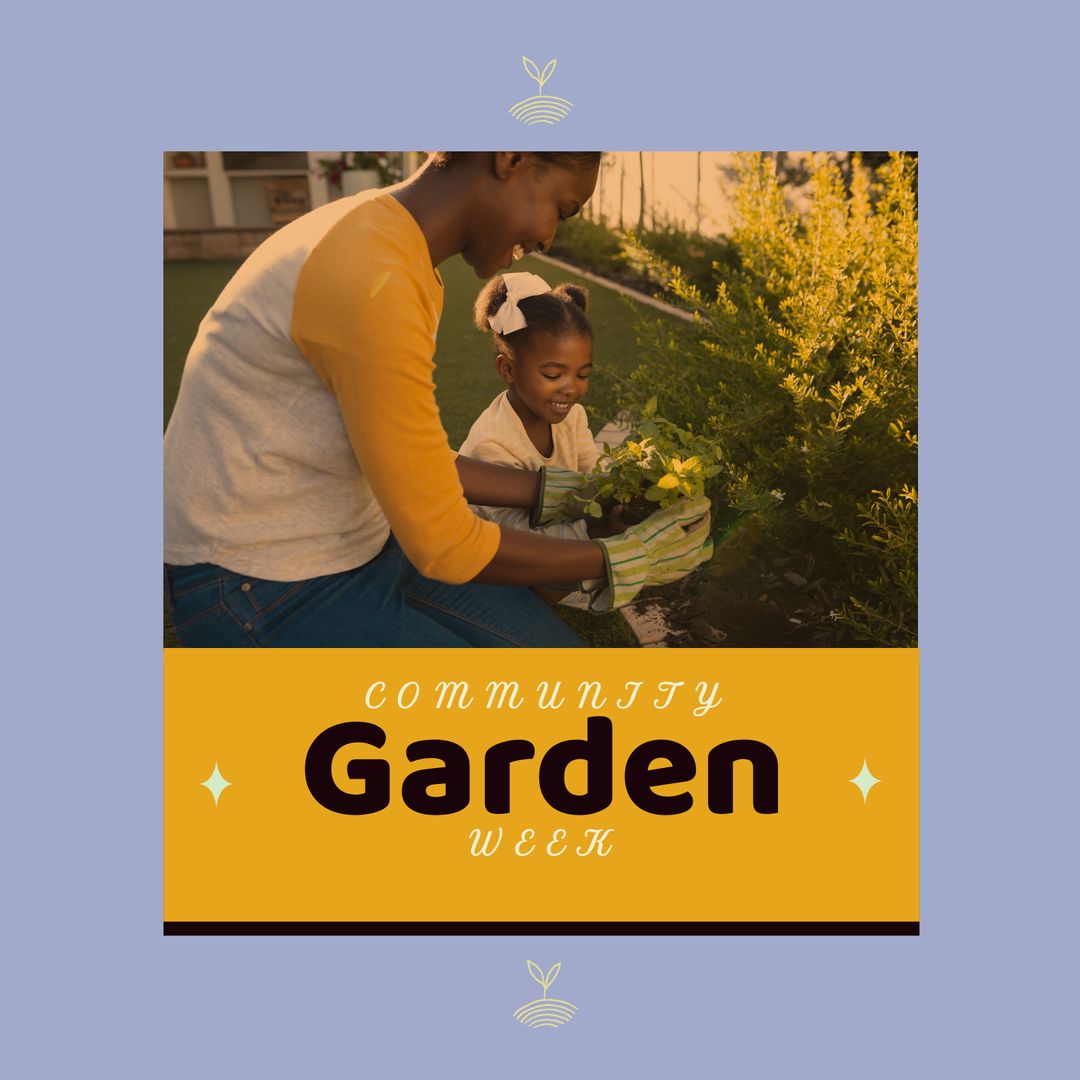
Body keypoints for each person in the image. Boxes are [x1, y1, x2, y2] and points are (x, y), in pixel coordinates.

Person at [164, 151, 712, 647]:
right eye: (560, 209)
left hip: (362, 540)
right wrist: (619, 557)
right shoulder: (369, 271)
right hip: (254, 577)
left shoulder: (393, 247)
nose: (548, 238)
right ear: (511, 158)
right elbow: (445, 543)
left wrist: (570, 492)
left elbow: (418, 463)